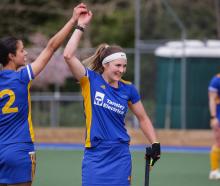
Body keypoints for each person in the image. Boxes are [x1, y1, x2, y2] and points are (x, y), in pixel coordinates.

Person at [63, 10, 161, 186]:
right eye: (117, 65)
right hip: (95, 155)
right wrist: (81, 25)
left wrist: (155, 142)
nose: (121, 70)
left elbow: (143, 117)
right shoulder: (89, 81)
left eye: (124, 66)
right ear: (105, 64)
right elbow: (68, 55)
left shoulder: (128, 89)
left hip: (120, 155)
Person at [0, 3, 89, 186]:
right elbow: (50, 47)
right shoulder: (21, 78)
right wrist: (73, 20)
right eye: (22, 50)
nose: (25, 53)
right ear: (10, 56)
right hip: (18, 150)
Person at [208, 74, 220, 180]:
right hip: (219, 115)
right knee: (219, 141)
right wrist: (213, 117)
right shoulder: (216, 80)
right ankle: (214, 170)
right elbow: (212, 99)